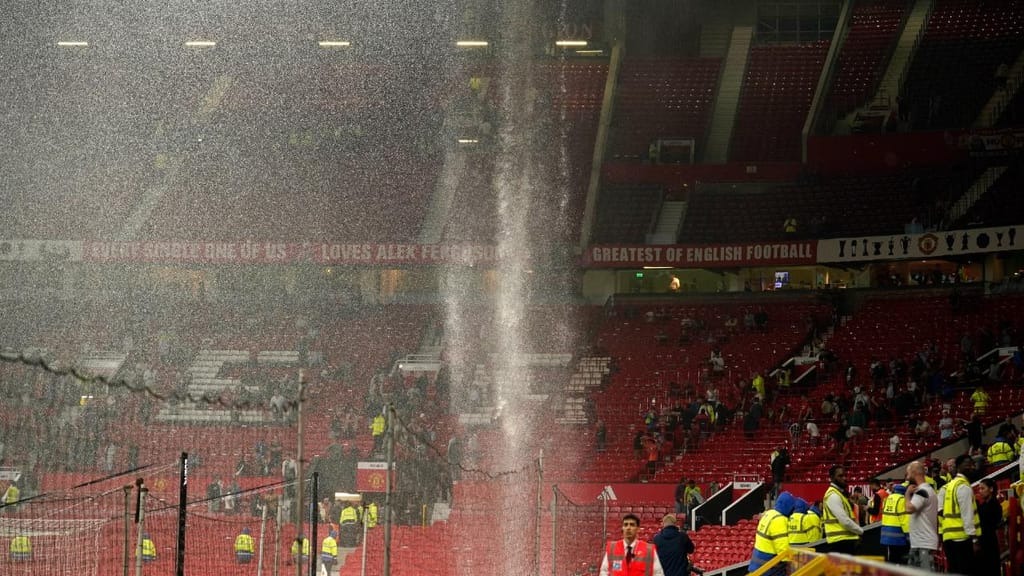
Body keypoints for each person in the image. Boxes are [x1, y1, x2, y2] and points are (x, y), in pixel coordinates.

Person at [939, 455, 980, 574]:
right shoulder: (963, 486)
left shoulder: (949, 486)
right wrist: (974, 540)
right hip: (962, 538)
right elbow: (967, 515)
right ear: (959, 467)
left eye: (972, 464)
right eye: (968, 464)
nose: (972, 467)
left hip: (949, 537)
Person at [599, 513, 665, 576]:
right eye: (625, 525)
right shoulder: (612, 548)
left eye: (632, 525)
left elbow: (658, 573)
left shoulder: (649, 550)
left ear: (638, 529)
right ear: (622, 528)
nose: (628, 528)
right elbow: (604, 571)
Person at [748, 492, 796, 575]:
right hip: (769, 568)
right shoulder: (779, 520)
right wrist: (790, 564)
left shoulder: (769, 514)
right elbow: (782, 548)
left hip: (756, 564)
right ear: (788, 506)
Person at [904, 460, 939, 571]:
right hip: (921, 543)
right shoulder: (927, 490)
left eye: (908, 473)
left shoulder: (922, 491)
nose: (907, 477)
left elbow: (909, 509)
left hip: (923, 543)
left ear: (914, 472)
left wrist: (907, 494)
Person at [822, 465, 863, 553]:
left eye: (845, 475)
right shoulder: (833, 495)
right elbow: (845, 521)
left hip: (844, 541)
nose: (844, 478)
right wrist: (860, 531)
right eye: (840, 476)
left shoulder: (839, 494)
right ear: (832, 478)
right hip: (840, 543)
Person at [976, 478, 1002, 576]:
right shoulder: (983, 505)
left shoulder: (995, 505)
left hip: (989, 543)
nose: (980, 491)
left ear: (991, 489)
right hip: (982, 543)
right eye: (979, 489)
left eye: (983, 488)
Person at [879, 484, 909, 564]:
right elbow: (904, 519)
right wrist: (908, 535)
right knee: (900, 559)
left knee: (891, 558)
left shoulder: (888, 498)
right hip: (897, 535)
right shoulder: (902, 499)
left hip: (886, 533)